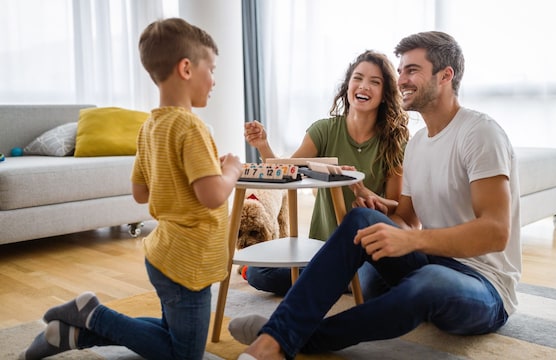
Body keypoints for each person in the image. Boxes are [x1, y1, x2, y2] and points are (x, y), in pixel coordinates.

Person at [228, 31, 522, 360]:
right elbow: (408, 215)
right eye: (400, 71)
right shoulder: (419, 144)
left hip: (484, 284)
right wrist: (382, 208)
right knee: (362, 220)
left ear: (445, 76)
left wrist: (412, 241)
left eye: (412, 70)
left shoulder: (479, 133)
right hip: (432, 262)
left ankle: (283, 338)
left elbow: (496, 232)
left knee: (428, 280)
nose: (401, 79)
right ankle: (275, 342)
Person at [20, 18, 243, 360]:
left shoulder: (149, 126)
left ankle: (74, 333)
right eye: (211, 68)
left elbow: (140, 192)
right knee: (185, 355)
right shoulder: (191, 126)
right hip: (189, 265)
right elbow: (212, 195)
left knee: (171, 334)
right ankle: (94, 314)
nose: (214, 80)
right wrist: (230, 169)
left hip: (165, 256)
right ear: (186, 68)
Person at [242, 50, 410, 296]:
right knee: (259, 273)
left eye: (375, 82)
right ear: (348, 85)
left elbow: (395, 208)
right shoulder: (324, 130)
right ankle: (334, 281)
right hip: (322, 248)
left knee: (370, 285)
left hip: (364, 253)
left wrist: (364, 192)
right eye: (358, 78)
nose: (364, 86)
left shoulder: (395, 140)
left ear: (385, 95)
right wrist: (263, 145)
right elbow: (286, 171)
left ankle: (331, 281)